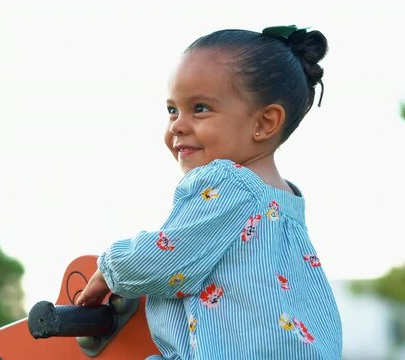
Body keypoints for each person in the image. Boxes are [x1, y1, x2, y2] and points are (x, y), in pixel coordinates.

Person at [76, 25, 342, 359]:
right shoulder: (285, 203)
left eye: (200, 108)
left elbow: (166, 257)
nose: (177, 125)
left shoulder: (227, 183)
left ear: (264, 122)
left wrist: (110, 269)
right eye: (172, 110)